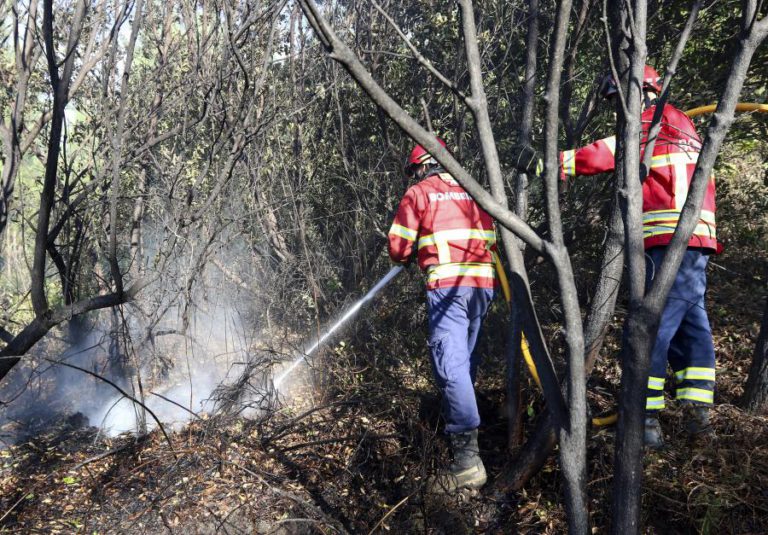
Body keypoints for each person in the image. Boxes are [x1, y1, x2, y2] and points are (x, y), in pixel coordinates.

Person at [556, 65, 719, 448]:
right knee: (691, 324)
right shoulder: (680, 122)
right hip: (696, 242)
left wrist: (552, 164)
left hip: (670, 240)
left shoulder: (651, 122)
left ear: (641, 92)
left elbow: (604, 153)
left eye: (617, 100)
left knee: (650, 327)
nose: (617, 110)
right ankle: (699, 418)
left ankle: (642, 422)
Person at [388, 137, 497, 491]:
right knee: (464, 363)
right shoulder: (471, 188)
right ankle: (466, 431)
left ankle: (467, 462)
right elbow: (490, 238)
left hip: (448, 289)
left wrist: (412, 253)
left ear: (423, 165)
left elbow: (398, 246)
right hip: (482, 285)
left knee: (451, 366)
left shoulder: (419, 193)